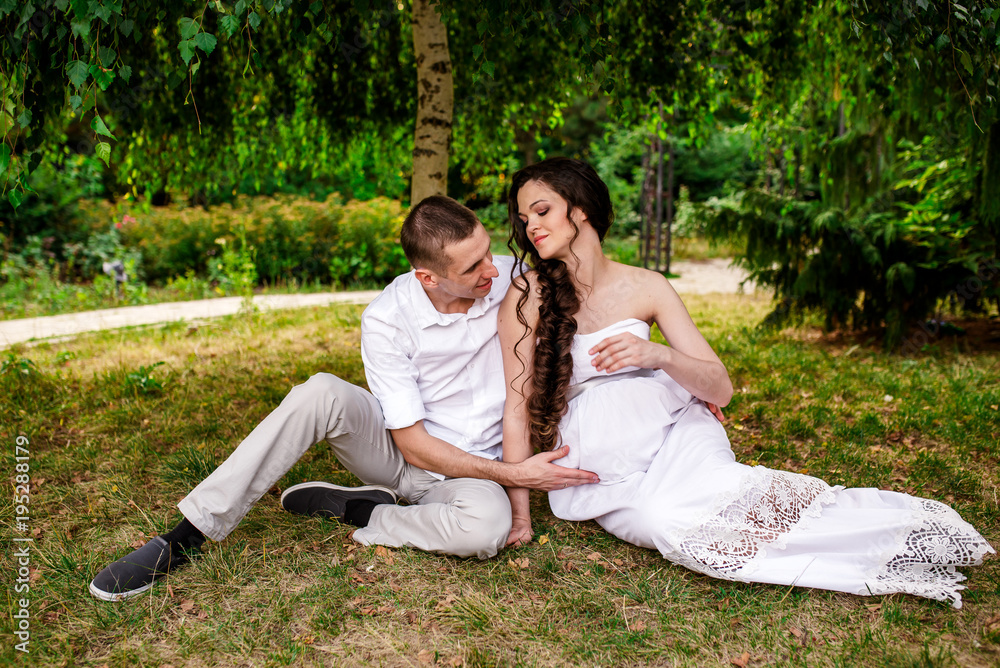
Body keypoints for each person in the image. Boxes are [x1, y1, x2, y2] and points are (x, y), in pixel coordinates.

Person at [498, 156, 995, 608]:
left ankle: (908, 535)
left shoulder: (648, 286)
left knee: (727, 494)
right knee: (662, 521)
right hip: (604, 462)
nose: (531, 226)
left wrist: (659, 354)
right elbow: (516, 407)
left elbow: (720, 388)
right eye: (524, 218)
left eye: (542, 210)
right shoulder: (527, 295)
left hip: (673, 432)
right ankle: (885, 549)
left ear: (581, 209)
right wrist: (521, 514)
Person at [89, 195, 598, 601]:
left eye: (488, 251)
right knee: (320, 392)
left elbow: (595, 282)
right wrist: (515, 474)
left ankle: (364, 512)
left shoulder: (513, 282)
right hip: (404, 456)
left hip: (473, 476)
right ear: (428, 277)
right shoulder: (387, 319)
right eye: (473, 267)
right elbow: (414, 446)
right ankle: (186, 535)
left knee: (485, 531)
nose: (492, 269)